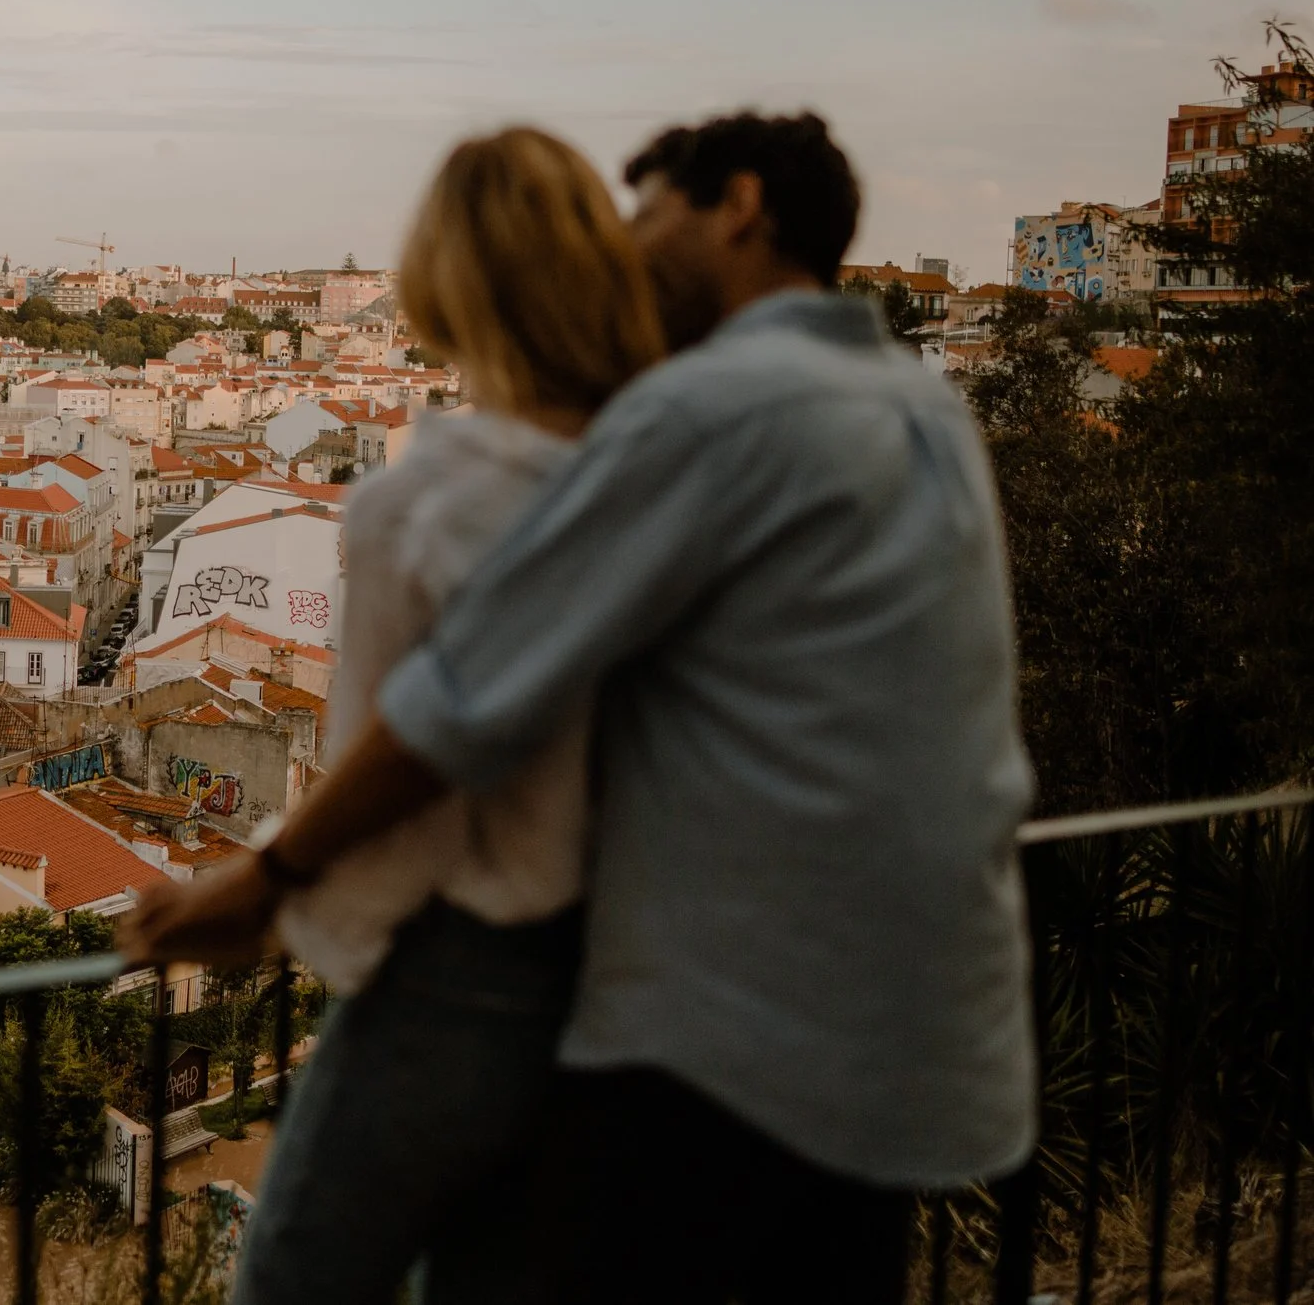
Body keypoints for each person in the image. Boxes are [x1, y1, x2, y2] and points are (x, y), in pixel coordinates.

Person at [123, 111, 1036, 1305]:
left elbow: (468, 697)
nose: (624, 245)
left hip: (745, 1027)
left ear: (739, 206)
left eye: (645, 211)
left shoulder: (714, 407)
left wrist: (271, 879)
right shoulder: (921, 407)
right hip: (932, 1020)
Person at [233, 127, 666, 1305]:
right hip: (642, 978)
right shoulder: (675, 485)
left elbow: (397, 786)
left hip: (458, 967)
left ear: (441, 283)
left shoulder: (417, 505)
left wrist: (307, 936)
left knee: (296, 1280)